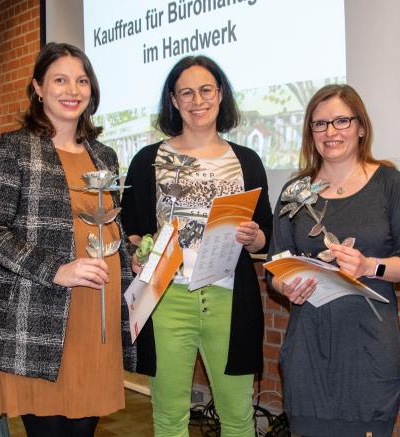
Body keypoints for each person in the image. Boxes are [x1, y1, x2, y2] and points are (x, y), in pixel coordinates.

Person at [0, 42, 137, 437]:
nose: (72, 90)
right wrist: (57, 270)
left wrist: (133, 256)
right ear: (38, 89)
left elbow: (109, 225)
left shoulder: (105, 155)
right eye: (59, 80)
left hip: (97, 318)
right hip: (40, 320)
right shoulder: (12, 148)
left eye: (82, 80)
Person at [120, 55, 272, 437]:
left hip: (229, 301)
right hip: (167, 299)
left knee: (237, 416)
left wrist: (254, 238)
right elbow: (132, 231)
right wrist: (137, 253)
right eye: (185, 92)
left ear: (220, 95)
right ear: (173, 100)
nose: (197, 100)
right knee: (169, 417)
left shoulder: (247, 160)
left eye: (206, 90)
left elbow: (265, 233)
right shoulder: (147, 161)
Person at [268, 84, 400, 437]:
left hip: (367, 352)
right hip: (308, 351)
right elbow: (276, 267)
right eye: (320, 124)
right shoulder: (295, 192)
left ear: (361, 126)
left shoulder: (390, 184)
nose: (331, 132)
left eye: (341, 120)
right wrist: (285, 285)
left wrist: (370, 266)